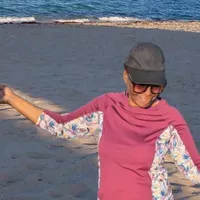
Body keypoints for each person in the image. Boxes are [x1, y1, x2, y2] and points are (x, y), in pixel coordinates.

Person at [0, 42, 200, 200]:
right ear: (126, 76)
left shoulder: (170, 119)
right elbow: (61, 126)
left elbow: (194, 170)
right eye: (140, 85)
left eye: (156, 87)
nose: (148, 94)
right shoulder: (106, 106)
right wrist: (10, 98)